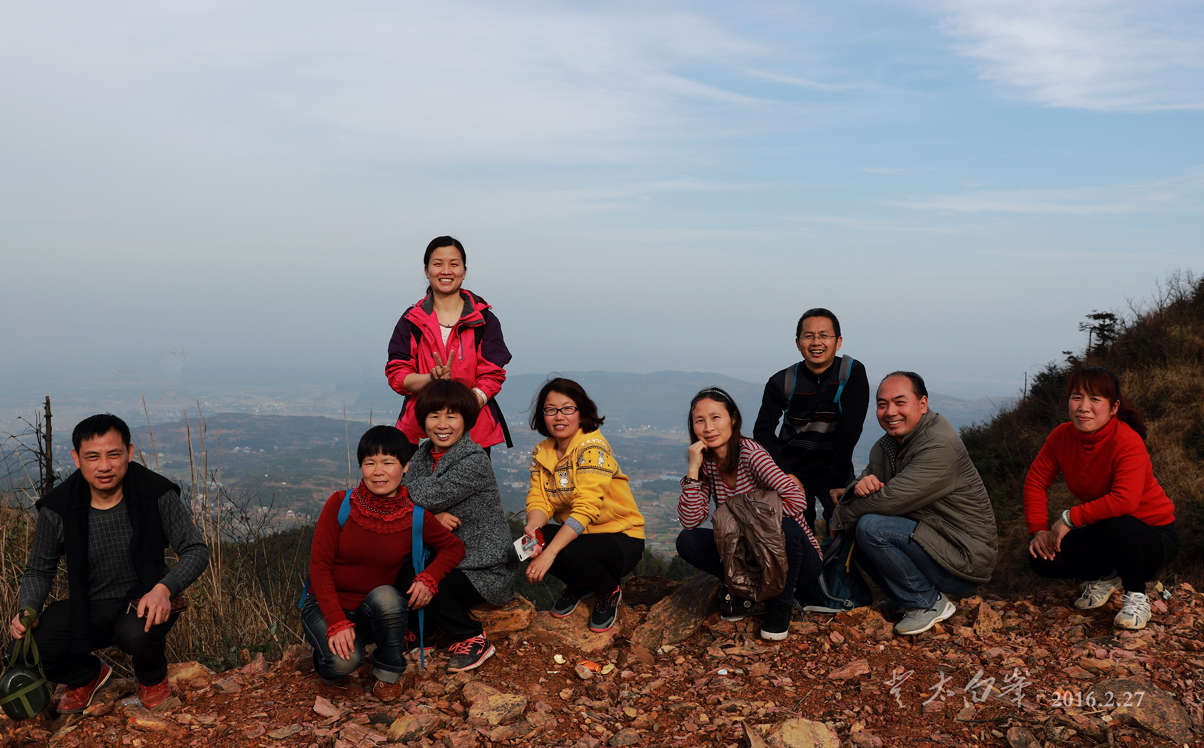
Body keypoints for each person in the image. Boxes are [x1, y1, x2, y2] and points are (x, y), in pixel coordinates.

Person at [8, 414, 210, 713]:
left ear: (128, 452)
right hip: (86, 607)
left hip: (143, 600)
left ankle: (153, 680)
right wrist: (29, 608)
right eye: (93, 456)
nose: (104, 466)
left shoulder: (156, 493)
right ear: (77, 458)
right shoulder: (58, 507)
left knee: (136, 633)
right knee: (23, 649)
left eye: (113, 454)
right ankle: (87, 675)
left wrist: (164, 589)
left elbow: (196, 549)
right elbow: (39, 568)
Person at [302, 426, 464, 700]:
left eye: (388, 463)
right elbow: (319, 566)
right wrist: (337, 621)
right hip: (324, 606)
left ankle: (388, 672)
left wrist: (430, 577)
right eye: (370, 463)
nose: (378, 471)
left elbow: (453, 547)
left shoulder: (414, 516)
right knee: (343, 662)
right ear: (361, 467)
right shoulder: (340, 504)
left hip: (371, 612)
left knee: (389, 596)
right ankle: (327, 664)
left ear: (405, 466)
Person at [829, 372, 997, 636]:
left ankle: (927, 602)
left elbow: (892, 499)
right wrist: (858, 487)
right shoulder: (886, 446)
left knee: (871, 527)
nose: (889, 411)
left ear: (922, 404)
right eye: (882, 404)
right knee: (857, 527)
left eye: (899, 402)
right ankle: (905, 595)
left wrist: (839, 516)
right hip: (932, 541)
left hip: (963, 558)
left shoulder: (939, 444)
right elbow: (862, 484)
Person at [1025, 367, 1178, 630]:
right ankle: (1107, 577)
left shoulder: (1127, 441)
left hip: (1153, 538)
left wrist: (1068, 519)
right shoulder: (1061, 436)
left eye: (1095, 399)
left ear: (1114, 406)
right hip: (1107, 532)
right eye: (1077, 397)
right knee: (1042, 557)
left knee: (1116, 522)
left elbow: (1125, 501)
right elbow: (1036, 481)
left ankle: (1136, 596)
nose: (1084, 407)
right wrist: (1039, 529)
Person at [676, 387, 822, 641]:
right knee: (687, 541)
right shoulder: (706, 463)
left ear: (733, 418)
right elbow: (690, 520)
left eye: (715, 417)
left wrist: (749, 523)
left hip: (795, 559)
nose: (708, 427)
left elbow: (798, 501)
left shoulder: (751, 454)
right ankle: (744, 592)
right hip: (749, 557)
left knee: (787, 527)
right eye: (699, 420)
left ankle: (782, 603)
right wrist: (693, 469)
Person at [404, 380, 518, 671]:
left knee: (417, 579)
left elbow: (411, 494)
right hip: (444, 557)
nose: (442, 425)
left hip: (481, 567)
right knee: (395, 566)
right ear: (423, 420)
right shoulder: (423, 454)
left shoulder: (474, 460)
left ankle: (472, 636)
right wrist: (430, 517)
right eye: (434, 416)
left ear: (467, 420)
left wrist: (421, 510)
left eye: (451, 416)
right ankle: (426, 632)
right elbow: (408, 495)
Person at [523, 378, 646, 633]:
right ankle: (582, 582)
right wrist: (533, 529)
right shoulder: (542, 451)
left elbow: (585, 509)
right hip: (582, 537)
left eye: (567, 408)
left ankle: (607, 590)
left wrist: (550, 553)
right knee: (526, 547)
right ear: (542, 414)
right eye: (551, 409)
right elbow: (539, 499)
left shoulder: (593, 448)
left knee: (567, 552)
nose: (559, 416)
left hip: (621, 539)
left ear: (581, 412)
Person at [386, 236, 512, 452]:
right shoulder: (411, 320)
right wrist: (430, 379)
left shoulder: (484, 320)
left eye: (454, 264)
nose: (446, 271)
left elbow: (493, 374)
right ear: (426, 271)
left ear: (464, 271)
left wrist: (465, 407)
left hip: (473, 432)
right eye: (437, 264)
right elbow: (397, 374)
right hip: (421, 430)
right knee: (418, 487)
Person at [753, 308, 869, 533]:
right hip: (791, 467)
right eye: (809, 336)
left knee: (845, 525)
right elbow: (763, 432)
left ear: (839, 341)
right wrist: (784, 475)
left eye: (824, 335)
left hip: (834, 466)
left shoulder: (851, 373)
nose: (817, 342)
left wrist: (838, 481)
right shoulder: (782, 381)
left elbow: (849, 429)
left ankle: (835, 567)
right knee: (793, 532)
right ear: (798, 343)